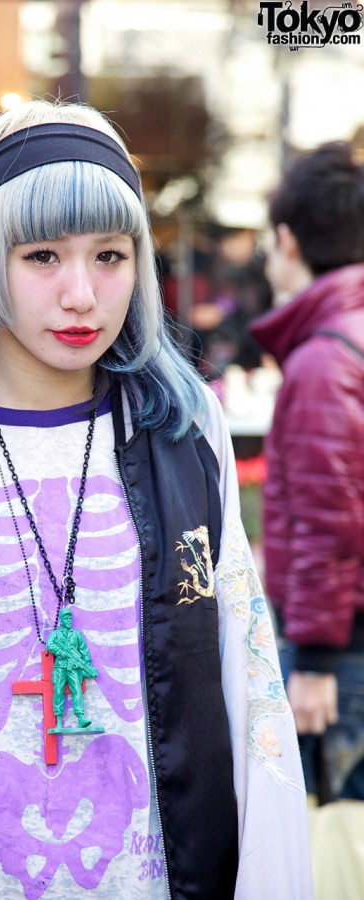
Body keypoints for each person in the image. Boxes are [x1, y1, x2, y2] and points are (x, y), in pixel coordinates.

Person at [0, 100, 312, 899]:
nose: (82, 295)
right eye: (43, 256)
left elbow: (248, 687)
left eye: (110, 256)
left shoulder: (184, 433)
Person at [250, 141, 364, 802]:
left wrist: (317, 660)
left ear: (288, 240)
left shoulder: (326, 359)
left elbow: (331, 521)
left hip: (341, 653)